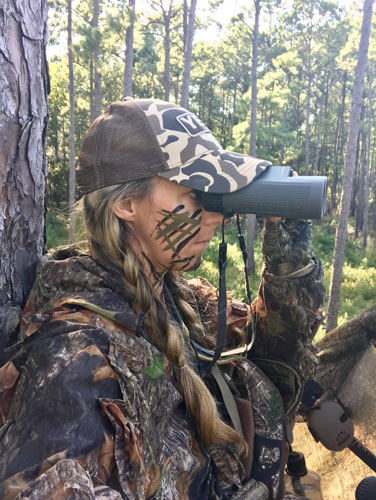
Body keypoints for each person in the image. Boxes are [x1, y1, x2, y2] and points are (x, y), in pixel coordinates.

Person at [0, 98, 324, 499]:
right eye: (196, 194)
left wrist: (287, 250)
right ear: (126, 205)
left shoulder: (180, 298)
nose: (217, 215)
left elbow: (279, 357)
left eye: (218, 194)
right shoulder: (78, 352)